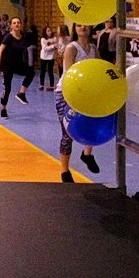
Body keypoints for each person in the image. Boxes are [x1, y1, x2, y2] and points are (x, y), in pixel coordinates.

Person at [55, 23, 101, 183]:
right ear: (74, 29)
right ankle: (64, 170)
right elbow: (69, 73)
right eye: (79, 25)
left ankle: (87, 154)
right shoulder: (71, 48)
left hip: (86, 92)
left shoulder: (94, 49)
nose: (83, 28)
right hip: (67, 92)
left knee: (92, 123)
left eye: (86, 25)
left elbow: (99, 69)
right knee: (67, 133)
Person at [0, 16, 34, 119]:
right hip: (7, 66)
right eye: (14, 23)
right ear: (11, 25)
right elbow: (0, 51)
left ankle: (21, 93)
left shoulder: (23, 36)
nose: (16, 24)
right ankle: (3, 108)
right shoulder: (8, 37)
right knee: (7, 89)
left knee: (31, 72)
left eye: (18, 23)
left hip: (18, 64)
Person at [38, 26, 58, 91]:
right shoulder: (43, 39)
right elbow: (45, 48)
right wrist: (53, 46)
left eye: (50, 30)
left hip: (51, 57)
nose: (50, 32)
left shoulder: (54, 38)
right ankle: (41, 85)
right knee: (42, 71)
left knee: (50, 71)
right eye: (48, 31)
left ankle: (51, 86)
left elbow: (56, 45)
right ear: (45, 32)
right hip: (44, 57)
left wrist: (53, 46)